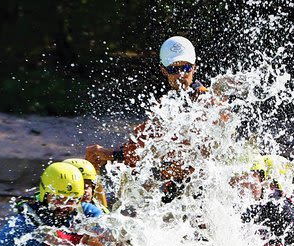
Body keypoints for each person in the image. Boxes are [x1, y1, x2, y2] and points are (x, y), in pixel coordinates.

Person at [84, 36, 211, 204]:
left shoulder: (208, 100)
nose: (180, 74)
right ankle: (96, 212)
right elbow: (139, 144)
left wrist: (113, 155)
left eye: (185, 68)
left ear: (194, 68)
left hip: (205, 188)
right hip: (174, 189)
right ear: (163, 70)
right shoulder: (165, 105)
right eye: (173, 69)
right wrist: (109, 154)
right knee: (93, 154)